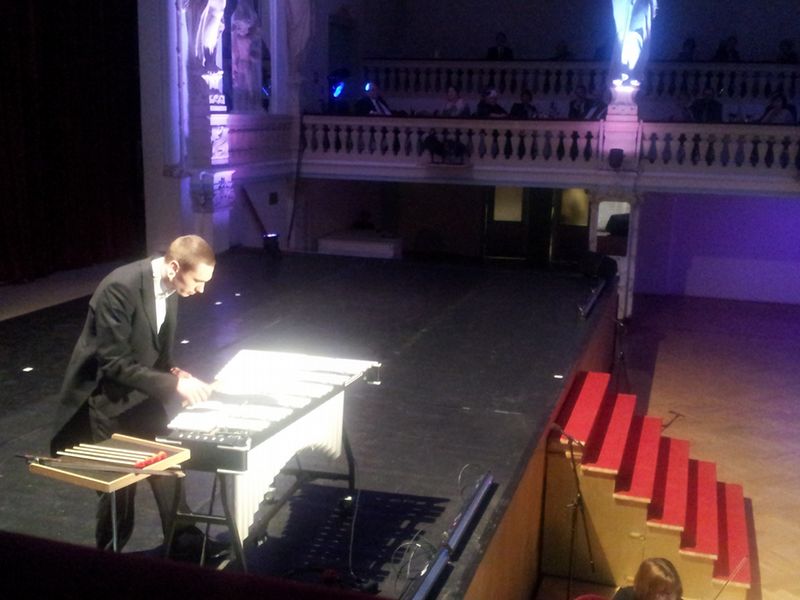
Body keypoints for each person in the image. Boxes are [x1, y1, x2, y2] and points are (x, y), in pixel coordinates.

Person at [50, 235, 217, 554]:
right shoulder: (120, 287)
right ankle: (109, 557)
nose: (200, 290)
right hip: (110, 403)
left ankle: (186, 544)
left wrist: (174, 373)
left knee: (169, 470)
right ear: (174, 267)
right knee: (118, 493)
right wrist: (172, 386)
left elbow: (154, 351)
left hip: (144, 398)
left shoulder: (173, 287)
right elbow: (113, 363)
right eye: (197, 281)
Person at [612, 557, 683, 600]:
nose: (669, 598)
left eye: (671, 592)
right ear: (646, 591)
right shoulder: (625, 597)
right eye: (663, 593)